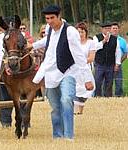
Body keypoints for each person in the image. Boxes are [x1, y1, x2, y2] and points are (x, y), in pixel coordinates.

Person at [30, 5, 94, 140]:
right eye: (47, 18)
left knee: (66, 100)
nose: (49, 21)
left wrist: (87, 79)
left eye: (52, 18)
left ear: (59, 16)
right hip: (50, 73)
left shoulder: (70, 31)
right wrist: (32, 45)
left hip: (68, 71)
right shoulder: (49, 30)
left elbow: (79, 56)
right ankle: (57, 137)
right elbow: (47, 42)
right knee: (55, 107)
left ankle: (68, 137)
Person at [0, 20, 13, 127]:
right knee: (4, 97)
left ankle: (24, 121)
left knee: (22, 97)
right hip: (3, 70)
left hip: (18, 71)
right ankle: (5, 122)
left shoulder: (21, 35)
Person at [93, 22, 121, 97]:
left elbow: (118, 52)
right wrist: (104, 41)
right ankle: (97, 98)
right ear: (102, 29)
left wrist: (117, 64)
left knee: (109, 84)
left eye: (109, 28)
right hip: (99, 65)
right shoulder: (96, 37)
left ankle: (108, 99)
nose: (108, 30)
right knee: (98, 82)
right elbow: (94, 48)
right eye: (106, 28)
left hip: (110, 65)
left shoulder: (115, 39)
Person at [74, 22, 96, 114]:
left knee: (85, 89)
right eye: (78, 32)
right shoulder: (74, 43)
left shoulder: (90, 43)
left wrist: (80, 61)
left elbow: (91, 58)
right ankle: (75, 110)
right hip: (74, 69)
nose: (80, 34)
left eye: (82, 32)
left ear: (86, 32)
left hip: (85, 69)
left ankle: (81, 110)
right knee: (75, 88)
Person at [110, 22, 127, 97]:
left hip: (118, 65)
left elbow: (125, 53)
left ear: (118, 29)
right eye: (113, 28)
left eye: (116, 28)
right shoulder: (107, 39)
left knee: (118, 82)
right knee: (107, 82)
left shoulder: (122, 41)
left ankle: (118, 97)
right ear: (110, 29)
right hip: (108, 65)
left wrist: (118, 63)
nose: (115, 30)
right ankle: (107, 97)